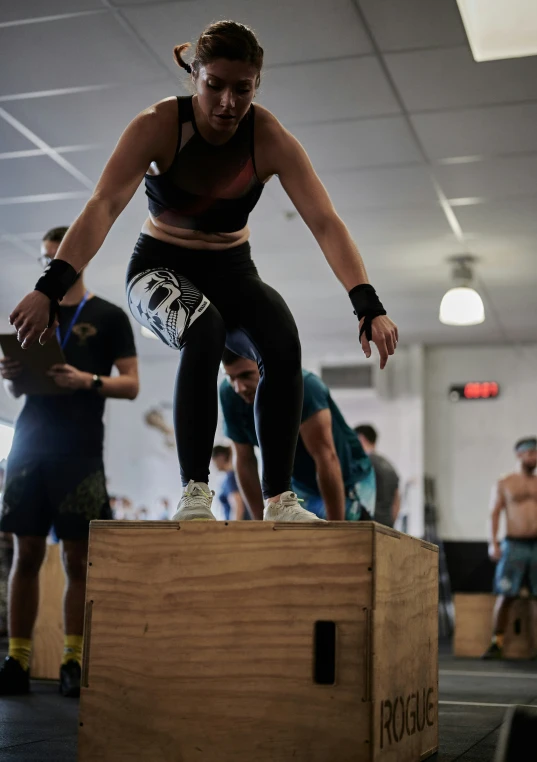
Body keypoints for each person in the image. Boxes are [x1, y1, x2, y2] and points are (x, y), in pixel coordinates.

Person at [8, 21, 398, 527]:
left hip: (232, 270)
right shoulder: (158, 125)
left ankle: (280, 502)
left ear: (257, 84)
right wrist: (50, 286)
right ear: (194, 75)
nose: (227, 103)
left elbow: (325, 221)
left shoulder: (269, 137)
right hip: (158, 267)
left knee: (282, 339)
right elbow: (103, 205)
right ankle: (194, 492)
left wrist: (367, 304)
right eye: (214, 84)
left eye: (243, 88)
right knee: (205, 328)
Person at [0, 226, 139, 696]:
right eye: (43, 258)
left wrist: (87, 380)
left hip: (79, 452)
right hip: (29, 446)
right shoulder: (34, 312)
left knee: (78, 559)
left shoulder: (110, 316)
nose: (49, 265)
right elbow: (17, 388)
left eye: (55, 257)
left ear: (77, 258)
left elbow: (132, 383)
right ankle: (17, 660)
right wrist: (11, 377)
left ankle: (72, 662)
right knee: (26, 554)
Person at [220, 350, 375, 521]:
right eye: (231, 377)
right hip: (302, 485)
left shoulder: (304, 386)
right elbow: (244, 460)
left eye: (246, 375)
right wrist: (260, 525)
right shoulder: (230, 394)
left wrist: (336, 529)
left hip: (349, 479)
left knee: (347, 539)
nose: (239, 387)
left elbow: (325, 457)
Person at [483, 437, 537, 660]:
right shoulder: (506, 482)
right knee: (506, 595)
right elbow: (494, 513)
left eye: (536, 453)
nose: (534, 457)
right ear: (519, 454)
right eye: (531, 452)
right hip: (514, 544)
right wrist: (492, 542)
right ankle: (497, 642)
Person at [354, 424, 401, 528]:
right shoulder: (389, 466)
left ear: (361, 438)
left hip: (367, 529)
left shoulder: (364, 464)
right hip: (386, 528)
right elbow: (396, 501)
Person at [211, 444, 249, 520]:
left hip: (237, 527)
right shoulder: (233, 476)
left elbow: (238, 506)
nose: (213, 465)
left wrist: (233, 529)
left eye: (213, 461)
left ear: (220, 457)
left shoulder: (230, 478)